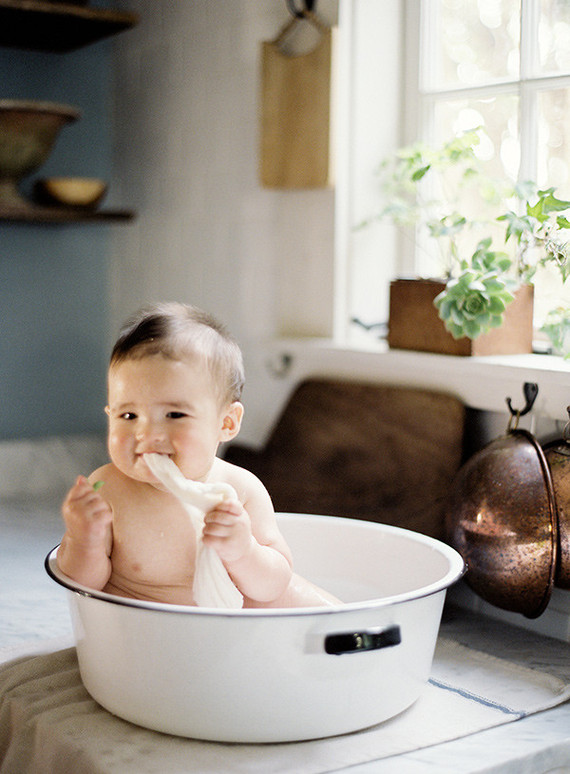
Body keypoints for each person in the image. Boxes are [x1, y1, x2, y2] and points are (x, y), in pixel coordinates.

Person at [57, 302, 339, 608]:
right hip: (140, 628)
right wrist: (83, 538)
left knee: (318, 606)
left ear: (226, 423)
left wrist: (243, 551)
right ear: (109, 415)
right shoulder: (108, 489)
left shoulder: (240, 490)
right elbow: (83, 585)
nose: (147, 434)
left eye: (175, 414)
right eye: (128, 416)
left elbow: (272, 586)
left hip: (227, 624)